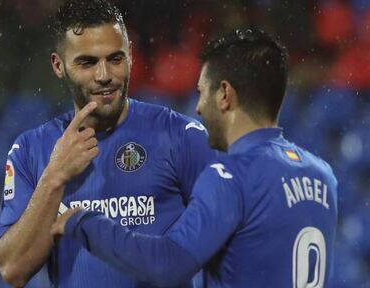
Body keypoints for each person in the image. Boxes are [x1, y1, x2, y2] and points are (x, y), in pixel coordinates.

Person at [52, 29, 338, 287]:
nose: (198, 108)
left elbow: (168, 265)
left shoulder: (230, 176)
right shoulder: (322, 174)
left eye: (201, 92)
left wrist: (83, 222)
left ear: (225, 94)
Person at [0, 0, 216, 287]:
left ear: (131, 55)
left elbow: (234, 240)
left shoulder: (181, 136)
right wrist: (54, 178)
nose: (104, 76)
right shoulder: (30, 149)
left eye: (115, 59)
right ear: (58, 65)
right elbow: (14, 269)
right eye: (87, 62)